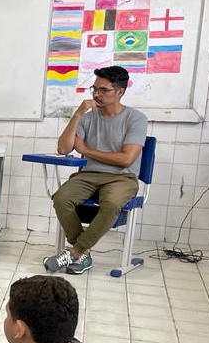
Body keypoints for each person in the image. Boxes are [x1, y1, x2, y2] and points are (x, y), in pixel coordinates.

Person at [44, 65, 148, 274]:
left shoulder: (136, 118)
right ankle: (82, 254)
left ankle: (75, 253)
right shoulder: (88, 117)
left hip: (121, 178)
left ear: (120, 91)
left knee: (110, 204)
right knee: (62, 197)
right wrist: (79, 113)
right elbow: (64, 148)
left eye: (103, 90)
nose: (97, 94)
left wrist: (86, 150)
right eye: (94, 89)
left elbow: (126, 159)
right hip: (89, 175)